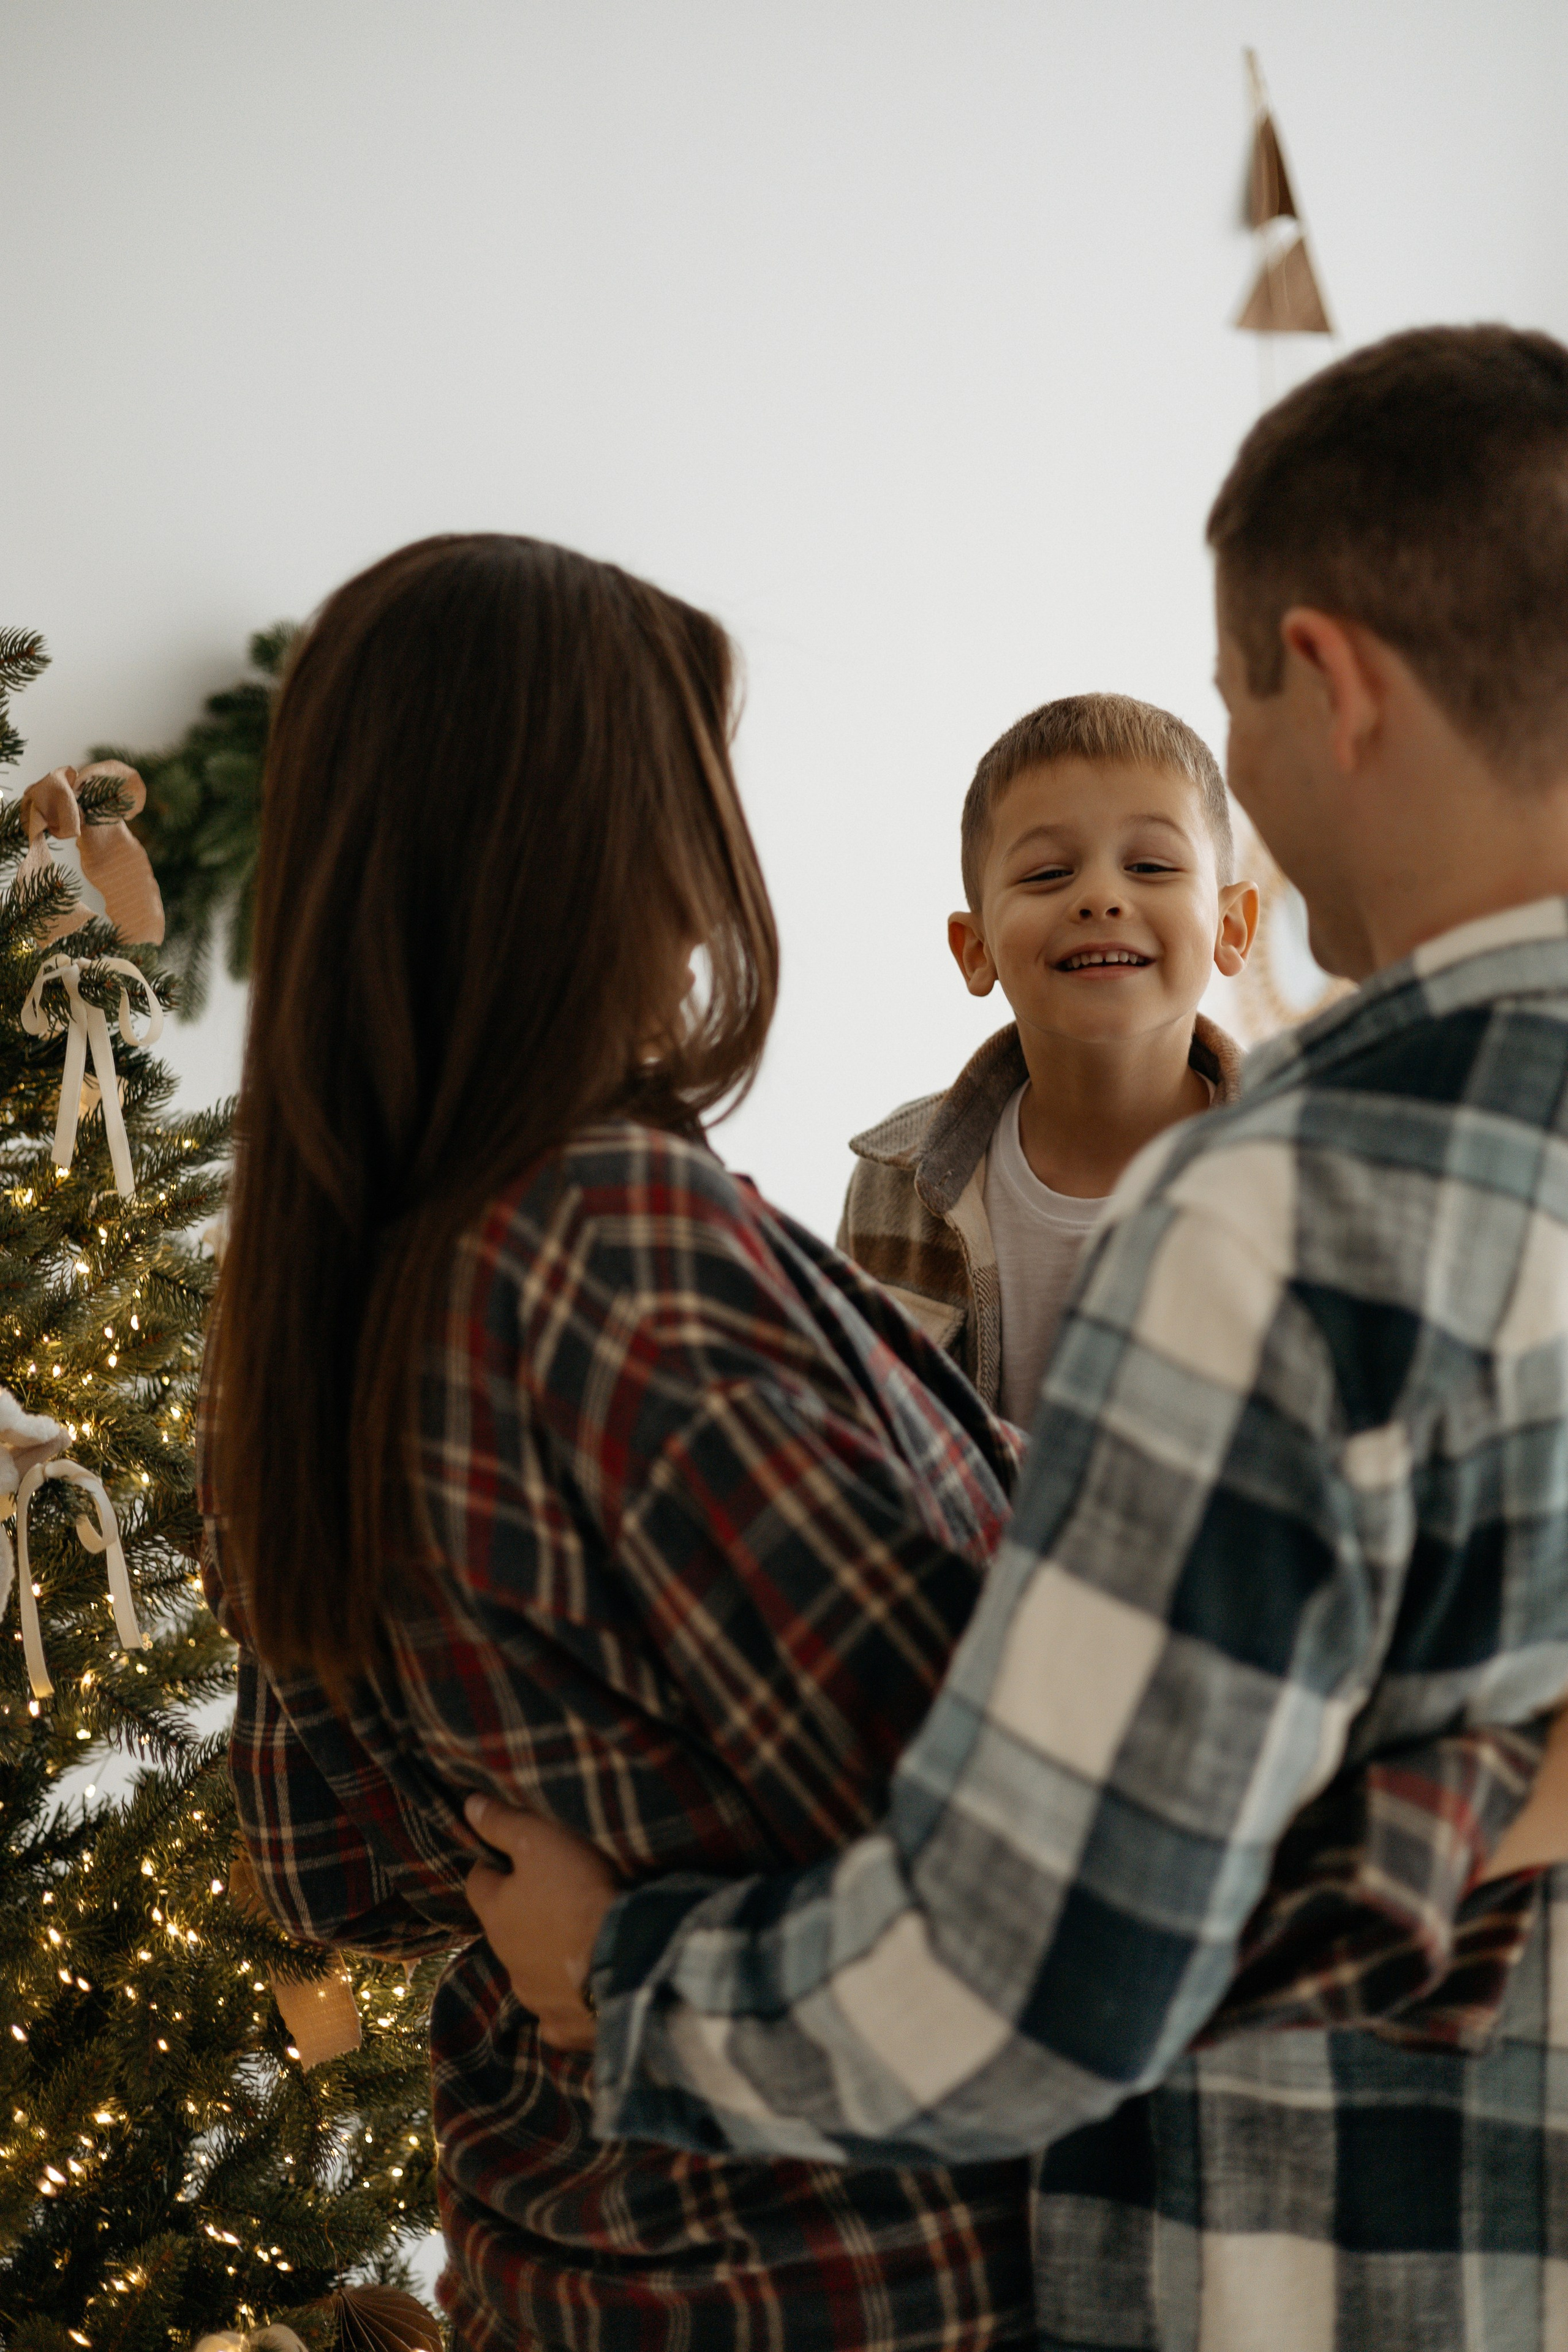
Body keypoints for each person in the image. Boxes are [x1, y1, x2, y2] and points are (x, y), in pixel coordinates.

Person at [454, 327, 1568, 2352]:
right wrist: (1487, 1785)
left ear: (1321, 680)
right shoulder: (829, 1213)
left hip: (1316, 2267)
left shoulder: (1276, 1211)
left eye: (1229, 702)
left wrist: (623, 1980)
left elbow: (1036, 1969)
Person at [839, 693, 1255, 1420]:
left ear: (1230, 926)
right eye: (1044, 875)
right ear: (976, 952)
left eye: (1151, 866)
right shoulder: (889, 1190)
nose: (1099, 897)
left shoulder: (1311, 1177)